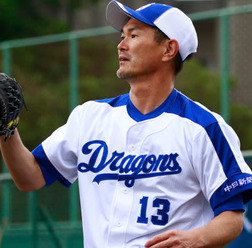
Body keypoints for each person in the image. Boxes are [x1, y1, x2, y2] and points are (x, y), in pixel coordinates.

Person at [1, 1, 252, 247]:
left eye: (133, 35)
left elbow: (232, 218)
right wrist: (8, 128)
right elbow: (30, 177)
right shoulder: (89, 117)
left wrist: (195, 239)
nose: (121, 45)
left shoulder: (203, 127)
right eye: (122, 35)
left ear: (168, 50)